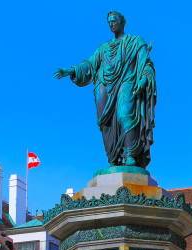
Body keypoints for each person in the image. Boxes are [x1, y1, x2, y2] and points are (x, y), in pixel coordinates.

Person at [54, 10, 156, 168]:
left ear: (122, 22)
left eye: (114, 20)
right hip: (104, 86)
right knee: (105, 123)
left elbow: (146, 64)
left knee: (125, 114)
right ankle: (114, 156)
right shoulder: (104, 48)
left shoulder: (135, 42)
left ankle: (130, 154)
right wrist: (71, 70)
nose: (111, 24)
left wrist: (143, 79)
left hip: (127, 82)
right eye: (109, 22)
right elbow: (90, 64)